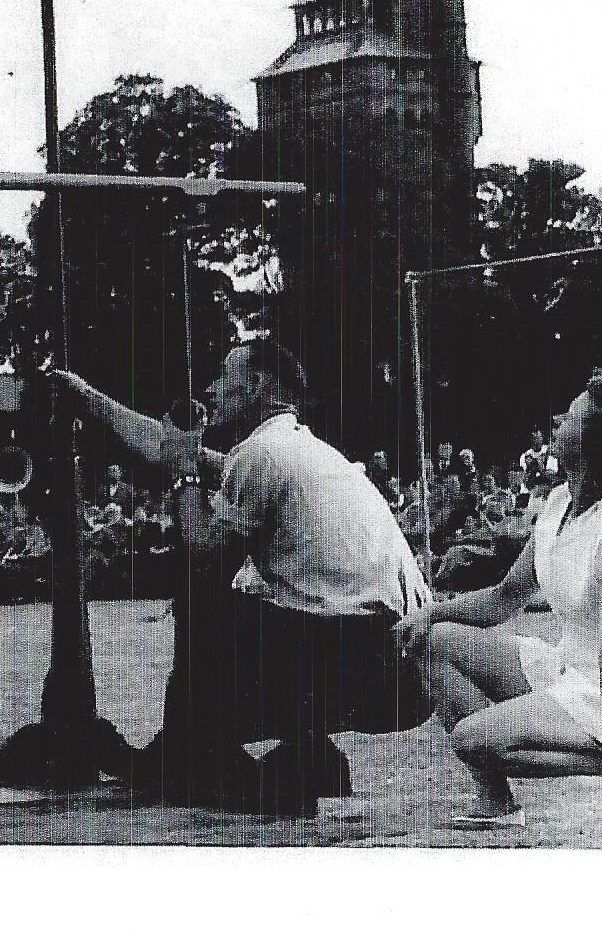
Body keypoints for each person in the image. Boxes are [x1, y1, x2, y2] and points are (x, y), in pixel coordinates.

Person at [52, 339, 433, 814]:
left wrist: (184, 476)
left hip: (363, 661)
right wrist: (88, 398)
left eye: (225, 374)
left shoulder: (263, 455)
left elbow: (204, 551)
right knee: (258, 600)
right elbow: (171, 448)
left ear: (258, 385)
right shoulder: (294, 448)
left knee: (205, 590)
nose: (212, 386)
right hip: (404, 667)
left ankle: (198, 758)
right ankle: (301, 749)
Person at [397, 371, 602, 833]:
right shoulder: (559, 502)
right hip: (570, 668)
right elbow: (505, 598)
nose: (557, 421)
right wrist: (428, 612)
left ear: (595, 445)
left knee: (470, 739)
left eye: (570, 417)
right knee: (437, 642)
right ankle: (497, 802)